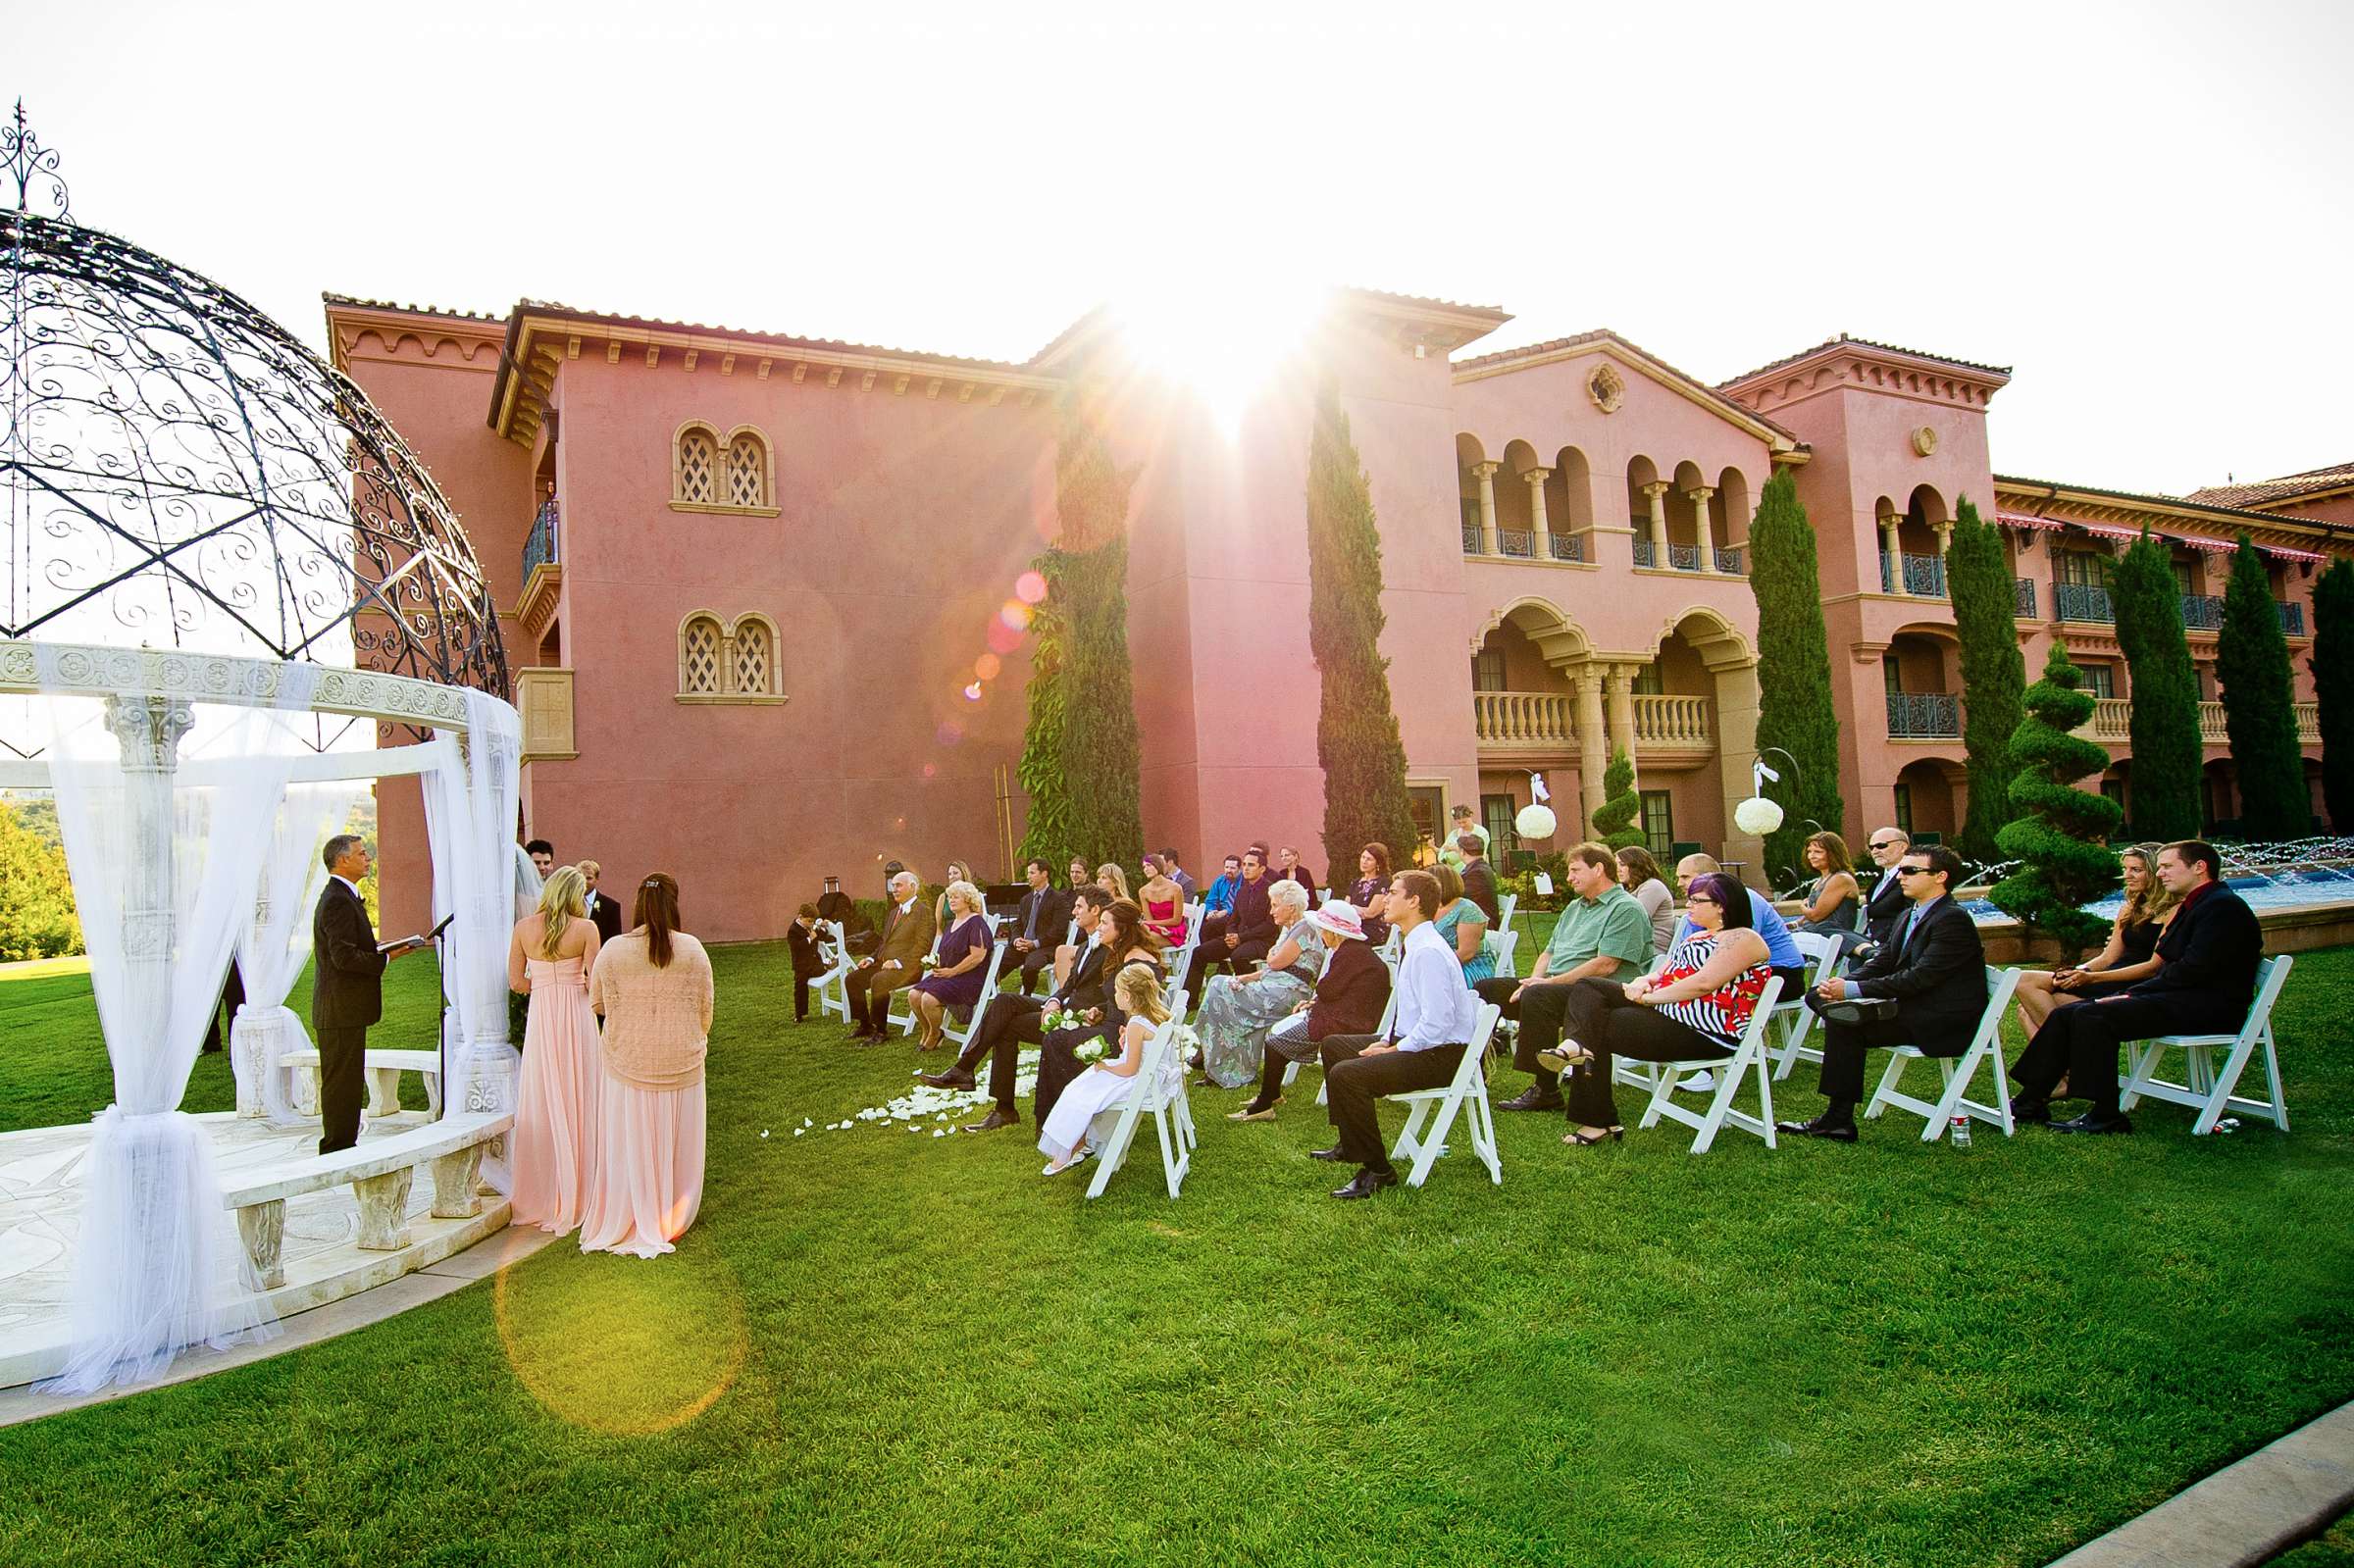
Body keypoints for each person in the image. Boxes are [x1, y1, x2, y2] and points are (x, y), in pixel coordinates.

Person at [2010, 839, 2262, 1136]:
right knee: (2072, 1012)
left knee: (2092, 1015)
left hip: (2207, 1007)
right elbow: (2170, 963)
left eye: (2168, 866)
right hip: (2178, 998)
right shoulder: (2196, 904)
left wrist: (2130, 994)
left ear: (2199, 867)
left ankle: (2106, 1116)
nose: (2161, 873)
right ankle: (2031, 1101)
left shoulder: (2222, 906)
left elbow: (2191, 971)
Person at [1544, 872, 1774, 1147]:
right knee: (1589, 986)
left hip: (1703, 1033)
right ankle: (1578, 1047)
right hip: (1667, 1015)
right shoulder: (1695, 938)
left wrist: (1650, 999)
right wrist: (1642, 982)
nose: (1688, 905)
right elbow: (1661, 973)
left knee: (1596, 1026)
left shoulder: (1743, 938)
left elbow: (1703, 983)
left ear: (1721, 905)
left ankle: (1596, 1115)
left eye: (1696, 900)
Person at [1778, 844, 1987, 1142]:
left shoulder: (1952, 919)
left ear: (1940, 876)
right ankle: (1837, 1116)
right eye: (1901, 870)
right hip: (1912, 1008)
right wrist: (1841, 984)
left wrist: (1852, 989)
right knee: (1819, 997)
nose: (1901, 876)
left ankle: (1837, 1119)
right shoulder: (1910, 914)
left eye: (1910, 871)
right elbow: (1884, 961)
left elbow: (1920, 978)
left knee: (1845, 1023)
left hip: (1941, 1020)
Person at [1312, 871, 1482, 1201]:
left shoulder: (1429, 951)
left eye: (1392, 893)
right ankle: (1350, 1143)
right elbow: (1411, 1011)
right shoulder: (1415, 942)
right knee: (1335, 1046)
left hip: (1442, 1056)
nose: (1385, 899)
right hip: (1423, 1044)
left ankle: (1377, 1169)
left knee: (1348, 1076)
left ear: (1414, 901)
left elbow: (1438, 1023)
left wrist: (1396, 1049)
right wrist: (1388, 1040)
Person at [581, 873, 713, 1258]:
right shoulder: (692, 949)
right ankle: (673, 1210)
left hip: (628, 1059)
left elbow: (599, 1004)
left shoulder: (613, 950)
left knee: (630, 1140)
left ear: (637, 905)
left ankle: (632, 1208)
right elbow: (705, 1008)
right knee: (679, 1140)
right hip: (681, 1057)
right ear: (675, 905)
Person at [1480, 842, 1654, 1113]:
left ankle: (1546, 1090)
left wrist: (1545, 984)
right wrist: (1532, 980)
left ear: (1598, 869)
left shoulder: (1626, 909)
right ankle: (1472, 1072)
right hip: (1553, 986)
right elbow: (1548, 952)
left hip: (1599, 994)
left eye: (1575, 870)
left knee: (1539, 997)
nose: (1569, 877)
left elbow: (1606, 965)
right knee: (1486, 989)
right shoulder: (1575, 907)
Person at [921, 886, 1112, 1130]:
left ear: (1095, 911)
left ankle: (1000, 1105)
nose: (1073, 911)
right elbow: (1070, 986)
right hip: (1062, 1006)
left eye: (1079, 907)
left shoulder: (1108, 947)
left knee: (1006, 1027)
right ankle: (966, 1070)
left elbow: (1112, 993)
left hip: (1080, 1018)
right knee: (1005, 1001)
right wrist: (1054, 1000)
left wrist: (1094, 1011)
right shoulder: (1087, 945)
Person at [1228, 900, 1392, 1122]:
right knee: (1277, 1037)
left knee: (1275, 1041)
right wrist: (1313, 1002)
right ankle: (1270, 1095)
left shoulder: (1350, 954)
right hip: (1340, 1015)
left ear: (1335, 933)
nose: (1322, 934)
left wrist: (1316, 1001)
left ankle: (1264, 1104)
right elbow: (1332, 990)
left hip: (1346, 1023)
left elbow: (1328, 988)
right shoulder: (1352, 951)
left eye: (1325, 929)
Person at [508, 865, 604, 1233]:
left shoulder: (523, 928)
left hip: (543, 1018)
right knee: (581, 1091)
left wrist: (546, 986)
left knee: (545, 1095)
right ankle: (583, 1186)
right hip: (577, 1016)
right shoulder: (586, 929)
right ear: (575, 894)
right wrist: (571, 982)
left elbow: (517, 981)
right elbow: (594, 982)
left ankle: (543, 1192)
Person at [310, 835, 419, 1156]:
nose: (368, 857)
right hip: (339, 1008)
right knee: (342, 1083)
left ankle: (343, 1145)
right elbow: (343, 958)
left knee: (346, 1081)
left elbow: (347, 950)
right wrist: (387, 957)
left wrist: (383, 950)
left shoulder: (344, 896)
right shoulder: (337, 900)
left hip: (344, 1008)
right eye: (361, 853)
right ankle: (337, 1149)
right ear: (342, 860)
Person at [2014, 845, 2177, 1037]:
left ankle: (2062, 1062)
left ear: (2156, 872)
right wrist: (2079, 972)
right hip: (2107, 977)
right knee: (2025, 991)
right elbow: (2108, 957)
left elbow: (2153, 967)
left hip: (2135, 984)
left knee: (2027, 1004)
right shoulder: (2129, 909)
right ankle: (2066, 1064)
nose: (2127, 875)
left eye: (2136, 870)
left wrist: (2093, 977)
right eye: (2125, 869)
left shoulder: (2173, 910)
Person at [1035, 900, 1165, 1127]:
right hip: (1111, 1025)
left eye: (1105, 923)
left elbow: (1145, 1006)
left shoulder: (1137, 961)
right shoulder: (1121, 954)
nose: (1099, 928)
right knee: (1057, 1037)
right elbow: (1123, 1001)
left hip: (1121, 1036)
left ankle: (1062, 1120)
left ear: (1122, 929)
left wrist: (1127, 1030)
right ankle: (1064, 1117)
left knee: (1055, 1039)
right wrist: (1100, 1010)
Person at [1039, 964, 1173, 1175]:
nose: (1115, 996)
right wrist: (1126, 1042)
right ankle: (1079, 1141)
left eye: (1118, 992)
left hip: (1140, 1081)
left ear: (1127, 997)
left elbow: (1129, 1068)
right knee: (1082, 1084)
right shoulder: (1155, 1015)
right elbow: (1143, 1049)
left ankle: (1075, 1143)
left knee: (1080, 1090)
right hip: (1153, 1076)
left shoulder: (1137, 1024)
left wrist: (1104, 1066)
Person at [1196, 879, 1319, 1087]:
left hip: (1289, 993)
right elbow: (1274, 965)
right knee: (1221, 985)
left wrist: (1272, 956)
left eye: (1275, 905)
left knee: (1218, 988)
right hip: (1274, 985)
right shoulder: (1289, 929)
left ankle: (1214, 1058)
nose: (1271, 912)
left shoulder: (1304, 928)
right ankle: (1216, 1061)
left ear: (1290, 907)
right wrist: (1248, 977)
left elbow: (1275, 961)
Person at [1672, 852, 1807, 995]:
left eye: (1685, 877)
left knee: (1694, 993)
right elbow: (1685, 952)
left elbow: (1739, 952)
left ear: (1710, 876)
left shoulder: (1743, 899)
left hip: (1779, 973)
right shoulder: (1697, 907)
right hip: (1730, 970)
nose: (1679, 883)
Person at [843, 869, 935, 1042]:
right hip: (883, 965)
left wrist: (898, 962)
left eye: (899, 885)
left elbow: (922, 947)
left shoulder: (923, 912)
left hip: (908, 968)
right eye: (893, 886)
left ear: (913, 887)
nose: (894, 889)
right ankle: (865, 1024)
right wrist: (871, 958)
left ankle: (881, 1030)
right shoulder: (894, 912)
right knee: (852, 979)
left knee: (879, 980)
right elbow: (884, 942)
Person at [1185, 845, 1277, 999]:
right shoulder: (1242, 891)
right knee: (1199, 952)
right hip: (1238, 938)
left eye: (1251, 865)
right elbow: (1233, 919)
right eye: (1245, 864)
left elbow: (1269, 926)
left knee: (1238, 956)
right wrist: (1230, 935)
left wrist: (1241, 938)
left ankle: (1249, 999)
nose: (1246, 868)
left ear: (1262, 869)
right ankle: (1189, 1001)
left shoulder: (1271, 891)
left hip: (1261, 941)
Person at [1003, 857, 1073, 996]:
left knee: (1031, 966)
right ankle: (982, 993)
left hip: (1045, 946)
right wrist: (1017, 939)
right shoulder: (1026, 899)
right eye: (1028, 873)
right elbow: (1017, 923)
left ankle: (1026, 996)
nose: (1028, 877)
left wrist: (1034, 944)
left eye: (1032, 873)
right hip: (1022, 946)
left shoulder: (1059, 899)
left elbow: (1058, 930)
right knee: (999, 961)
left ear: (1044, 874)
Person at [1793, 832, 1863, 941]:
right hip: (1814, 933)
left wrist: (1802, 907)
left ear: (1833, 854)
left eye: (1818, 852)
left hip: (1833, 938)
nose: (1811, 856)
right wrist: (1792, 924)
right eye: (1809, 852)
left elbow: (1815, 916)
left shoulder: (1840, 879)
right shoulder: (1819, 881)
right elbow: (1808, 916)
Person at [1431, 862, 1494, 986]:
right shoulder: (1431, 908)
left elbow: (1466, 953)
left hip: (1469, 967)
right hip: (1437, 964)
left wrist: (1436, 968)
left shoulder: (1468, 910)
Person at [1614, 845, 1677, 956]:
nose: (1618, 869)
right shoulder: (1627, 890)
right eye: (1616, 864)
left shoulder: (1652, 886)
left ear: (1637, 865)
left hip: (1652, 950)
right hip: (1632, 947)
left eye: (1622, 864)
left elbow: (1633, 921)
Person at [1856, 829, 1912, 949]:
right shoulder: (1880, 879)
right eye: (1871, 847)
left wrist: (1879, 942)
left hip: (1891, 945)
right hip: (1869, 941)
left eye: (1881, 846)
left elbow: (1910, 916)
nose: (1875, 851)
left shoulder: (1911, 877)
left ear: (1902, 847)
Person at [1345, 843, 1395, 946]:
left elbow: (1371, 912)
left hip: (1373, 927)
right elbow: (1345, 907)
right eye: (1363, 857)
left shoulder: (1384, 882)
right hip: (1354, 925)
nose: (1364, 862)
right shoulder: (1355, 883)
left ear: (1378, 863)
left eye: (1369, 859)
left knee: (1345, 939)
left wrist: (1352, 909)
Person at [1138, 856, 1190, 948]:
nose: (1146, 869)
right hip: (1155, 929)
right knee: (1138, 933)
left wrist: (1151, 924)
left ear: (1158, 865)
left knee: (1141, 940)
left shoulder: (1176, 888)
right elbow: (1149, 920)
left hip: (1173, 931)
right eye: (1144, 867)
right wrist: (1156, 926)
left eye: (1149, 865)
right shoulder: (1143, 891)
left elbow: (1176, 921)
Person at [786, 903, 826, 1023]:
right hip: (801, 965)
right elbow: (797, 947)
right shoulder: (793, 931)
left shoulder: (810, 927)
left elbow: (823, 936)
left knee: (821, 969)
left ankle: (825, 965)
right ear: (800, 917)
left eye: (812, 922)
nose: (811, 924)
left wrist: (822, 927)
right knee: (800, 987)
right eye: (808, 921)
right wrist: (809, 939)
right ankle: (799, 1014)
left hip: (813, 962)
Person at [1196, 853, 1243, 952]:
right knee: (1201, 924)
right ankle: (1220, 963)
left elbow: (1241, 904)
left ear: (1239, 869)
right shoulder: (1220, 881)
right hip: (1220, 914)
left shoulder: (1244, 882)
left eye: (1232, 868)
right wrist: (1211, 911)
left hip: (1236, 916)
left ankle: (1211, 955)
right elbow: (1210, 900)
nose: (1229, 870)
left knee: (1209, 927)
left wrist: (1226, 912)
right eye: (1227, 867)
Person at [1456, 834, 1501, 925]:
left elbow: (1464, 899)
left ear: (1463, 851)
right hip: (1476, 919)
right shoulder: (1479, 868)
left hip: (1481, 923)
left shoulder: (1477, 873)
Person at [579, 859, 624, 943]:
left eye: (589, 878)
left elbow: (613, 941)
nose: (584, 882)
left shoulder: (611, 907)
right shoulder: (568, 903)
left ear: (597, 879)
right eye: (580, 878)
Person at [1441, 803, 1491, 872]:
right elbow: (1442, 851)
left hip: (1473, 870)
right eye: (1459, 823)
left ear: (1470, 816)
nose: (1462, 825)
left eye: (1464, 822)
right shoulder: (1454, 834)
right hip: (1453, 872)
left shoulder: (1481, 833)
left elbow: (1476, 853)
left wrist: (1453, 849)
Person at [932, 860, 975, 936]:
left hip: (968, 934)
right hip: (948, 936)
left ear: (963, 874)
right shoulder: (943, 897)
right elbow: (938, 926)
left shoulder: (973, 895)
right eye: (949, 874)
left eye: (955, 873)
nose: (952, 876)